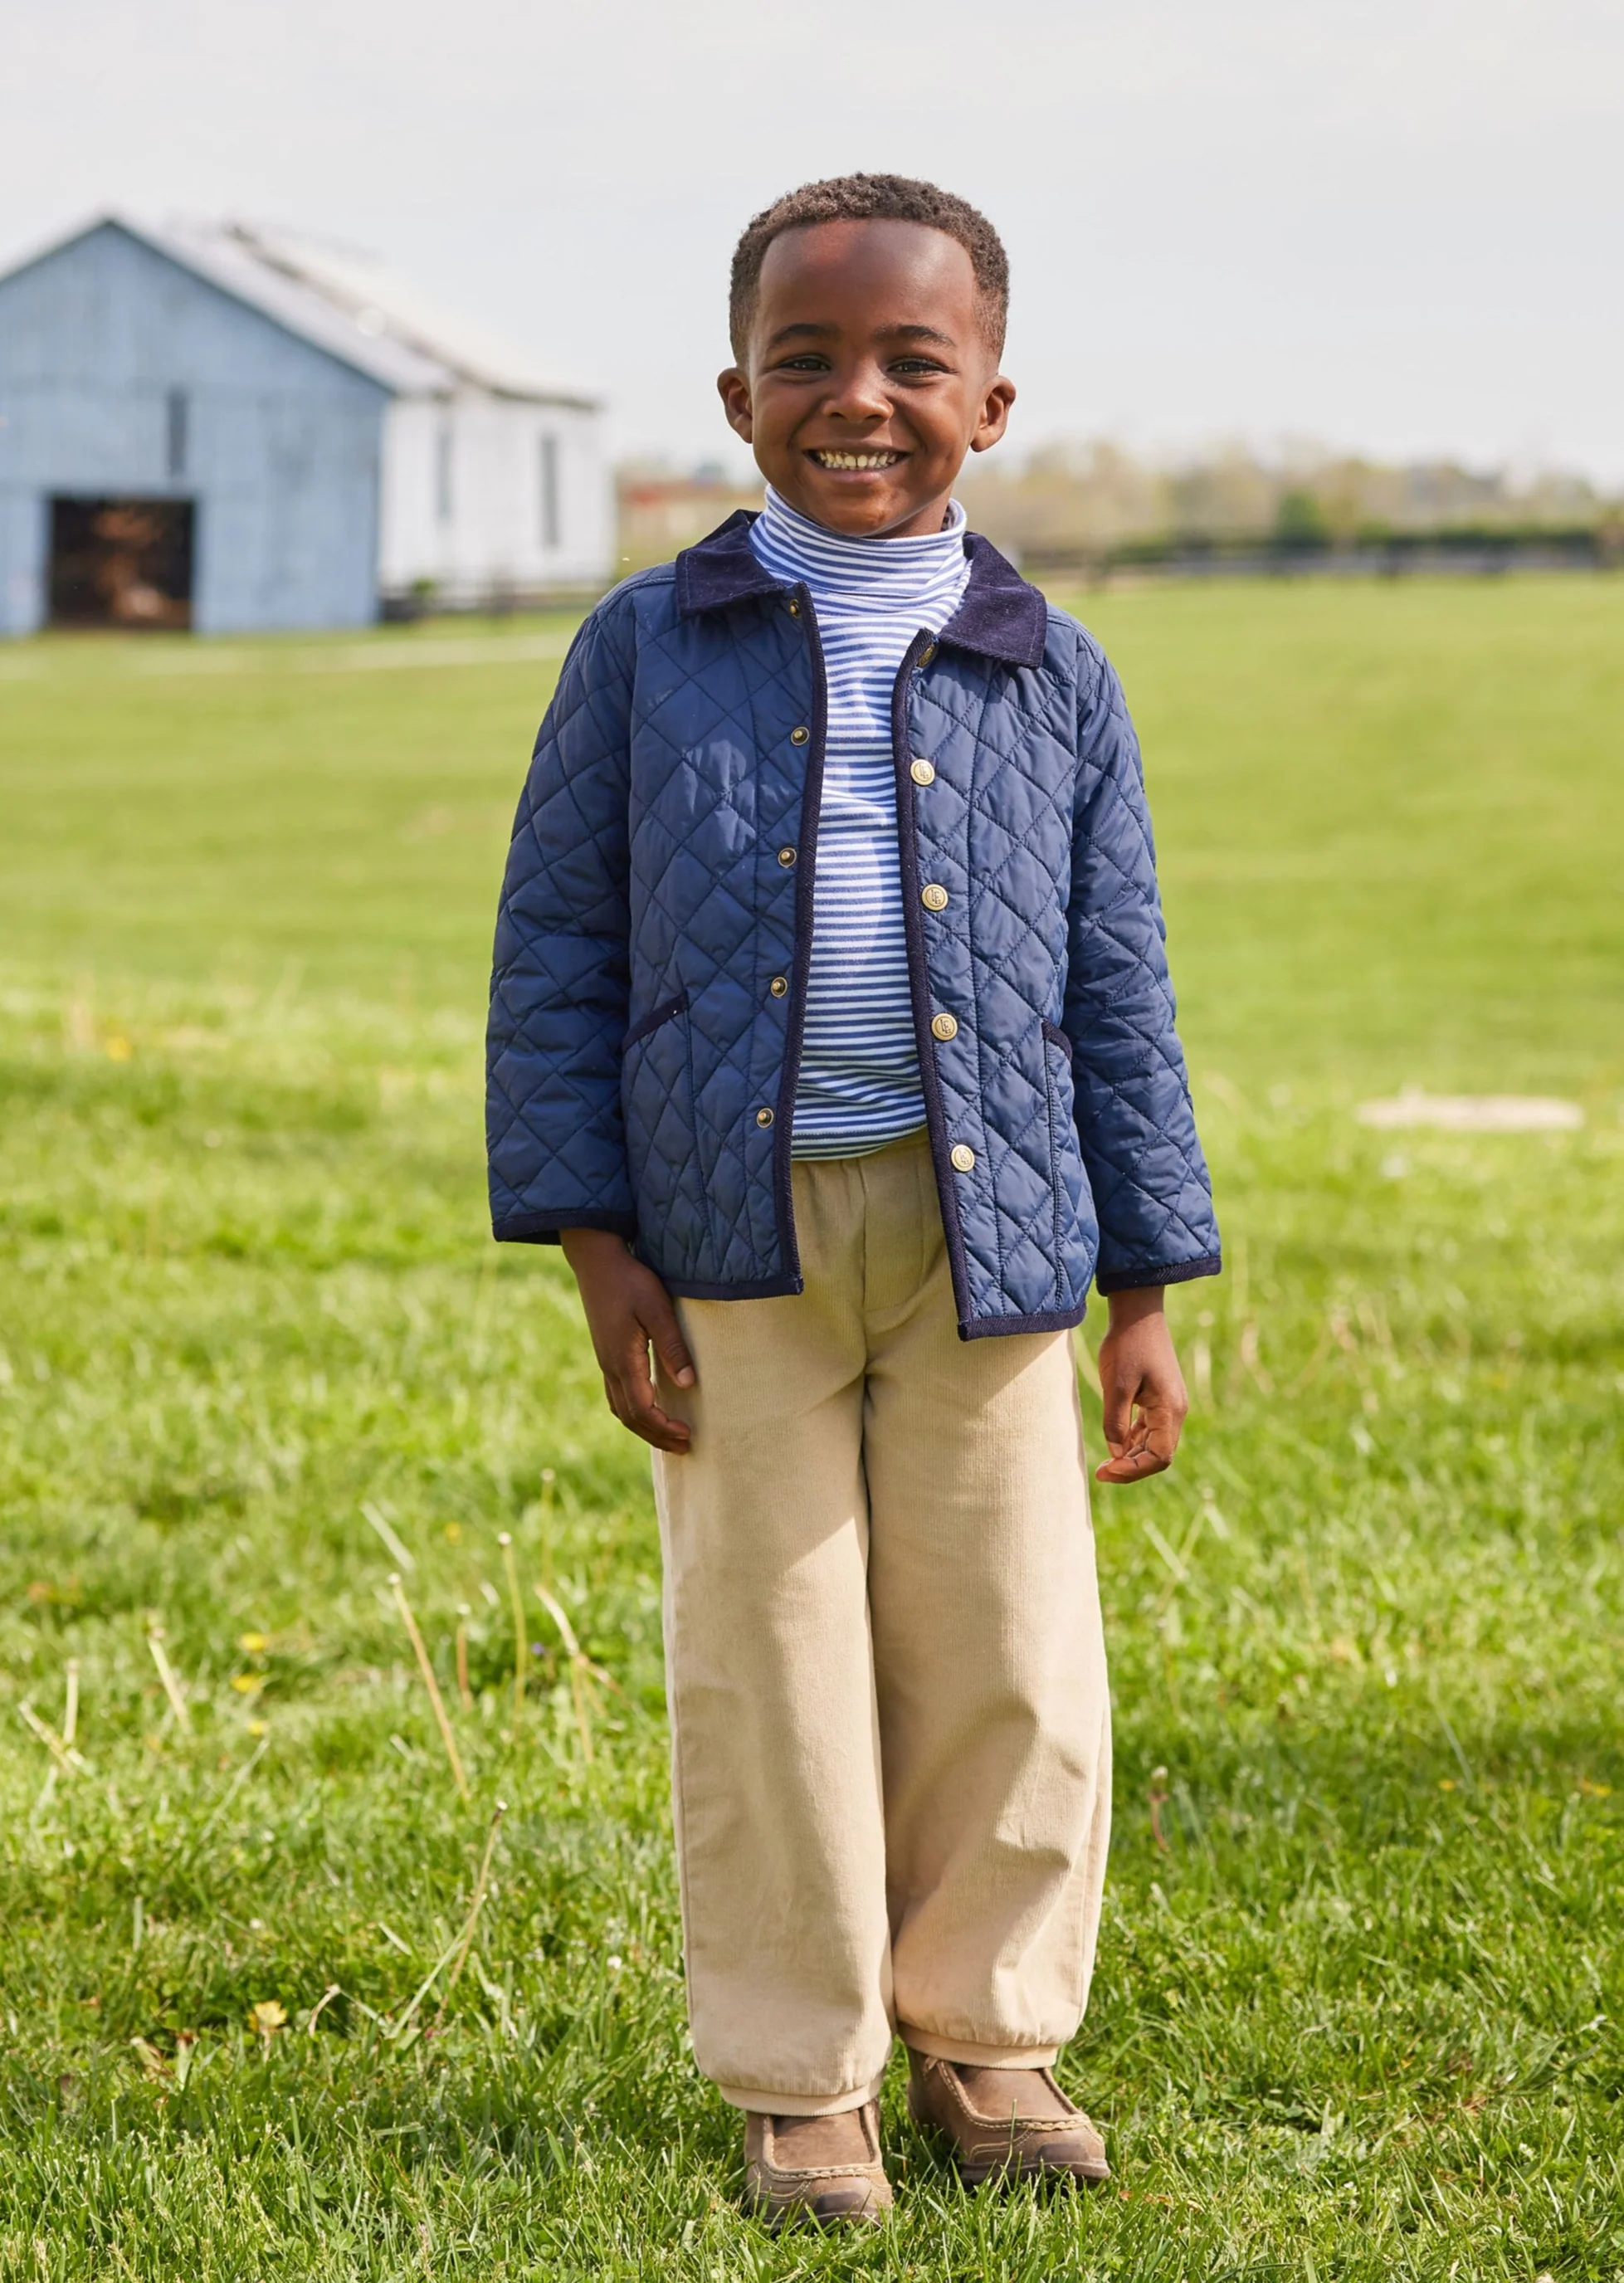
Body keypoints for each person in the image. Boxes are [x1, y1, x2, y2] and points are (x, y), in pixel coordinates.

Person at [485, 173, 1220, 2227]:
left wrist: (1149, 1276)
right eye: (808, 359)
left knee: (1011, 1646)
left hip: (996, 1247)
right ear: (738, 393)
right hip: (736, 1245)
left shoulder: (1052, 671)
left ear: (992, 400)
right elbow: (555, 950)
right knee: (768, 1652)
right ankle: (804, 2076)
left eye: (915, 359)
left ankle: (991, 2037)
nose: (860, 397)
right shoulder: (648, 648)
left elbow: (1117, 985)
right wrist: (596, 1240)